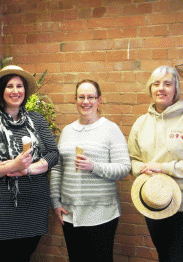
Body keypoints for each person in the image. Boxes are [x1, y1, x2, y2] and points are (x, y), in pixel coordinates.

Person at [0, 65, 59, 262]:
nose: (15, 91)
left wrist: (28, 169)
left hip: (33, 208)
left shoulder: (37, 120)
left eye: (19, 86)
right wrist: (13, 166)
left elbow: (53, 154)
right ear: (1, 91)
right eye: (9, 86)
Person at [128, 66, 183, 262]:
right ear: (150, 89)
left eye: (167, 84)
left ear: (176, 89)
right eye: (156, 84)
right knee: (164, 256)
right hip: (153, 201)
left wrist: (164, 168)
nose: (161, 89)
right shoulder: (141, 123)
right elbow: (132, 160)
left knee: (178, 258)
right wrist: (139, 168)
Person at [50, 79, 131, 262]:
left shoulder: (111, 129)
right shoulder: (68, 131)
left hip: (101, 215)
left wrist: (94, 166)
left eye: (91, 97)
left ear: (99, 100)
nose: (85, 101)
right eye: (81, 97)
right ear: (75, 99)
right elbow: (57, 169)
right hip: (71, 216)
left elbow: (124, 168)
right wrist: (56, 201)